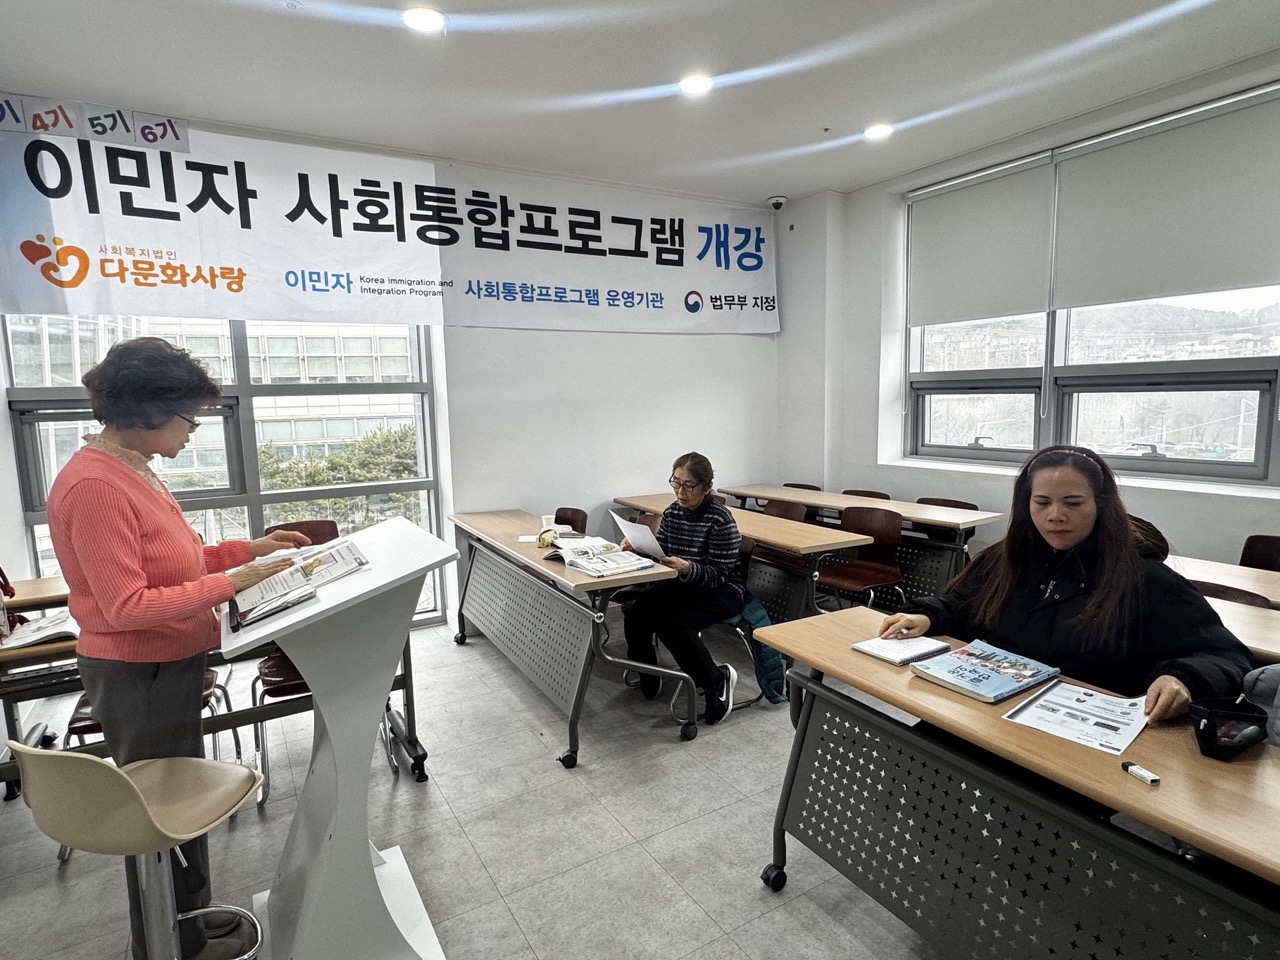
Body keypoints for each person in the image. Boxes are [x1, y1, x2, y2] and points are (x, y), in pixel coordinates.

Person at [47, 337, 310, 960]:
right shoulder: (96, 486)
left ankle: (189, 920)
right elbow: (126, 606)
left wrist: (250, 551)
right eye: (190, 419)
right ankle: (171, 943)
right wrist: (234, 582)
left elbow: (176, 562)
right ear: (150, 412)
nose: (193, 433)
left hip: (165, 662)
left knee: (178, 801)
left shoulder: (130, 470)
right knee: (159, 815)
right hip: (139, 670)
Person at [879, 444, 1255, 723]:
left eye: (1073, 503)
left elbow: (1226, 657)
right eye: (1042, 502)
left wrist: (1182, 679)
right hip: (987, 716)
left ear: (1101, 506)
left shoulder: (1144, 579)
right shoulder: (1005, 559)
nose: (1055, 516)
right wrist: (928, 616)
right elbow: (963, 607)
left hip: (1077, 737)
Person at [621, 452, 743, 724]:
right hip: (682, 582)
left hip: (721, 591)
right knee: (637, 613)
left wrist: (688, 568)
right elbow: (662, 552)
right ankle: (649, 672)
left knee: (673, 623)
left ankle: (715, 681)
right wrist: (638, 548)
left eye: (688, 485)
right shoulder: (673, 512)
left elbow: (720, 574)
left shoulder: (720, 519)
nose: (680, 492)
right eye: (676, 483)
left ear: (707, 487)